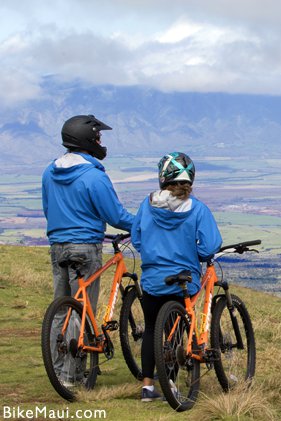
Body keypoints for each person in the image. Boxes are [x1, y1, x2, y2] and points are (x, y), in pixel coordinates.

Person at [42, 114, 134, 386]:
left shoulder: (50, 171)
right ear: (88, 140)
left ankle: (59, 371)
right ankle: (72, 377)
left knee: (62, 310)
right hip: (85, 247)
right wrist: (143, 223)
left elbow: (48, 209)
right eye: (98, 136)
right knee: (82, 310)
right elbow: (115, 214)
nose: (101, 141)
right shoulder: (93, 176)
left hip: (57, 246)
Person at [131, 152, 222, 402]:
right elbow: (209, 248)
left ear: (162, 177)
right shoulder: (198, 209)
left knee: (151, 329)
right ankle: (171, 382)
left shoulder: (146, 204)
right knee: (177, 331)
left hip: (152, 279)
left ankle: (148, 387)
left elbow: (136, 238)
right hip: (185, 280)